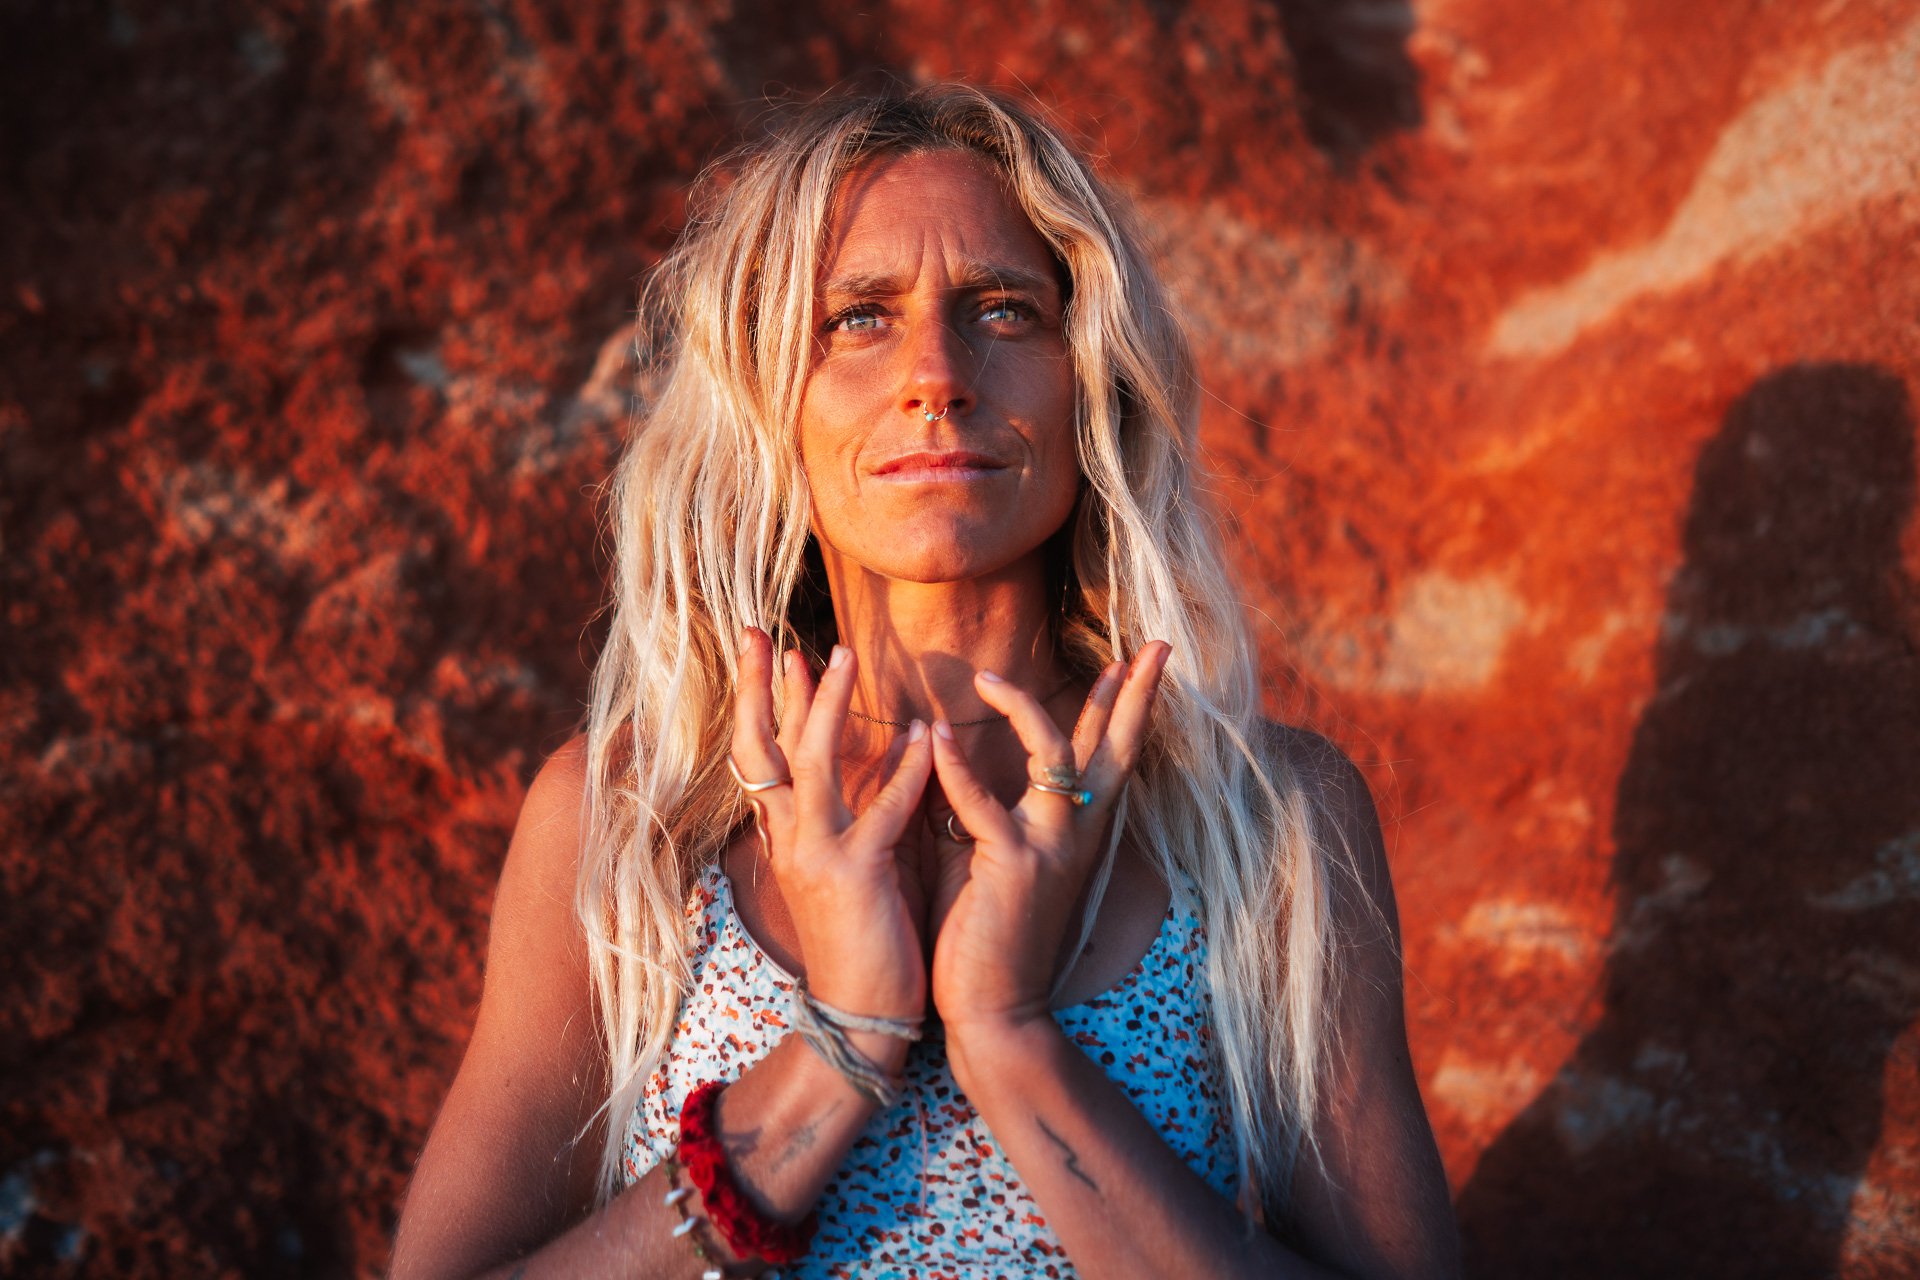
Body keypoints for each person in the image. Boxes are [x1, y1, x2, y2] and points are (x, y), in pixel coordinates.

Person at [391, 83, 1458, 1279]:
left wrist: (1010, 1044)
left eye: (1004, 310)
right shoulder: (629, 818)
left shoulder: (1269, 822)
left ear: (1089, 375)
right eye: (855, 319)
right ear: (768, 397)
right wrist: (838, 1048)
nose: (936, 375)